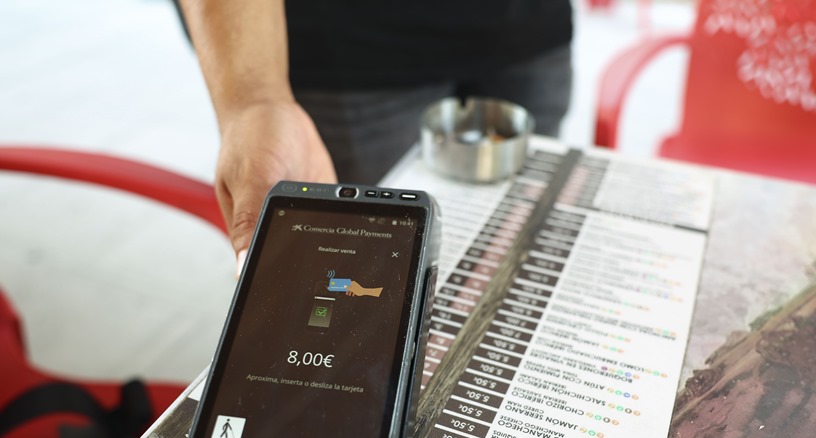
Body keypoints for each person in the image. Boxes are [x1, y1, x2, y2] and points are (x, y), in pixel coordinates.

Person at [178, 1, 573, 275]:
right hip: (345, 52)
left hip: (531, 29)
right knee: (361, 276)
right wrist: (254, 100)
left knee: (519, 241)